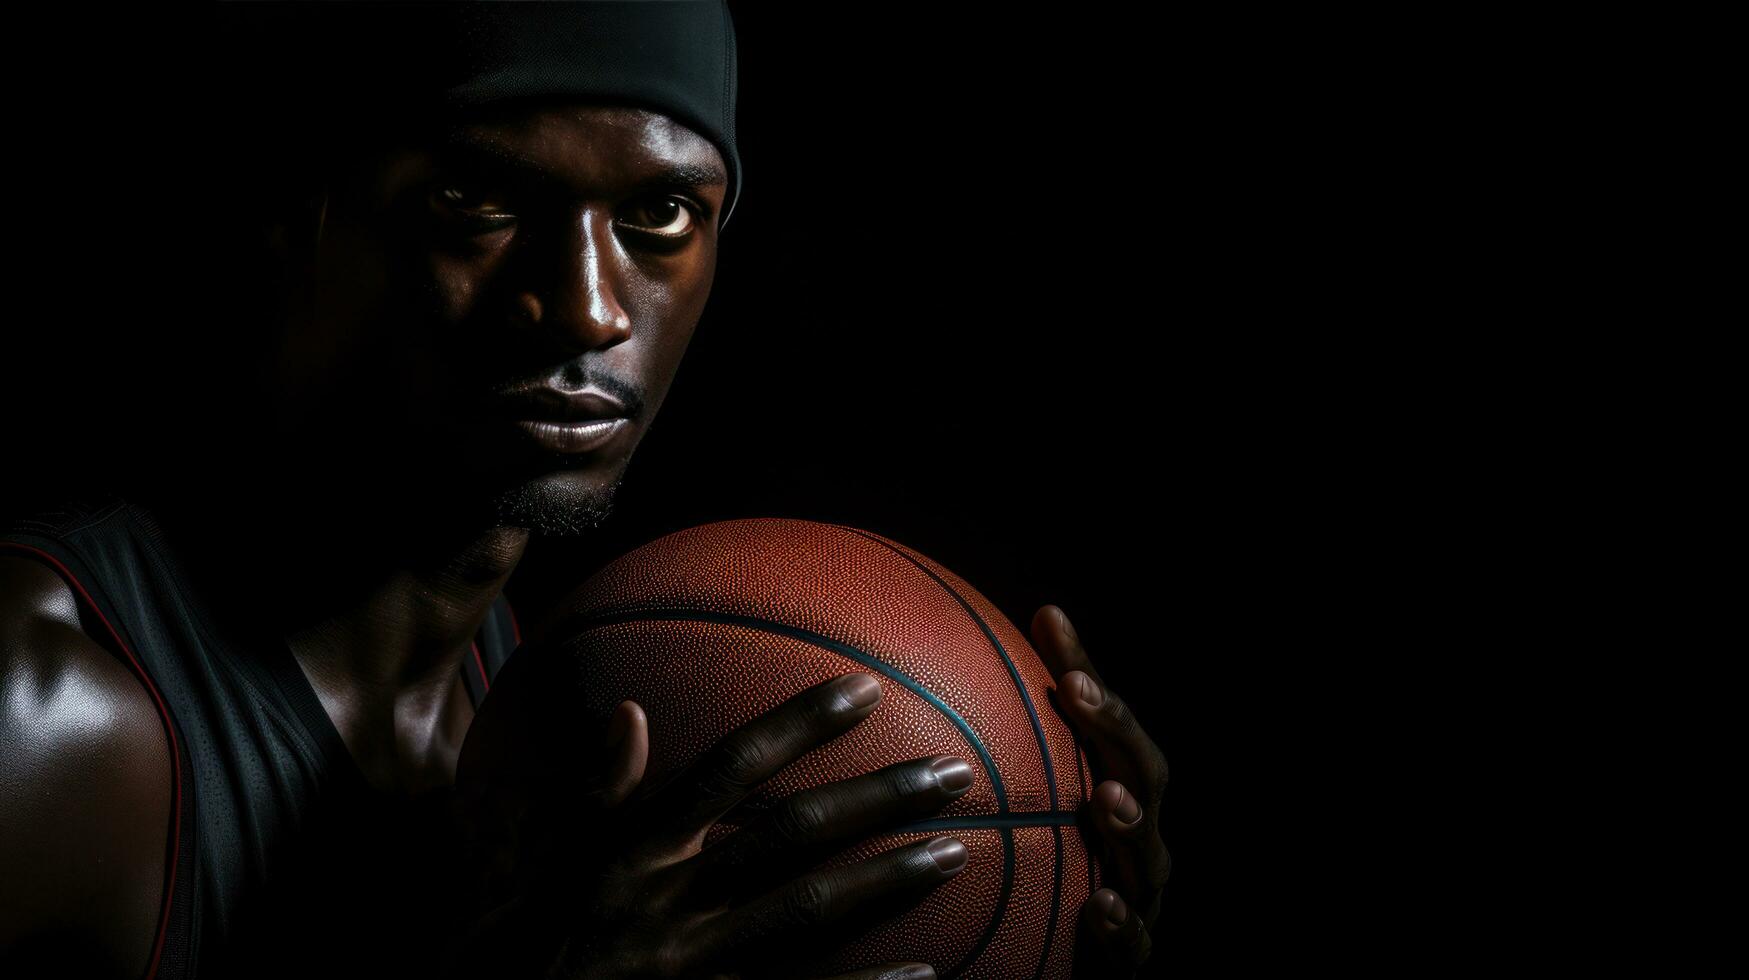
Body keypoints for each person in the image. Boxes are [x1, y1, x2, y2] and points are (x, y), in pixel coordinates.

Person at [0, 3, 1167, 978]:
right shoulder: (51, 713)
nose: (587, 307)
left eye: (658, 214)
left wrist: (1051, 892)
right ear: (297, 210)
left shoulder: (579, 719)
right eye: (478, 201)